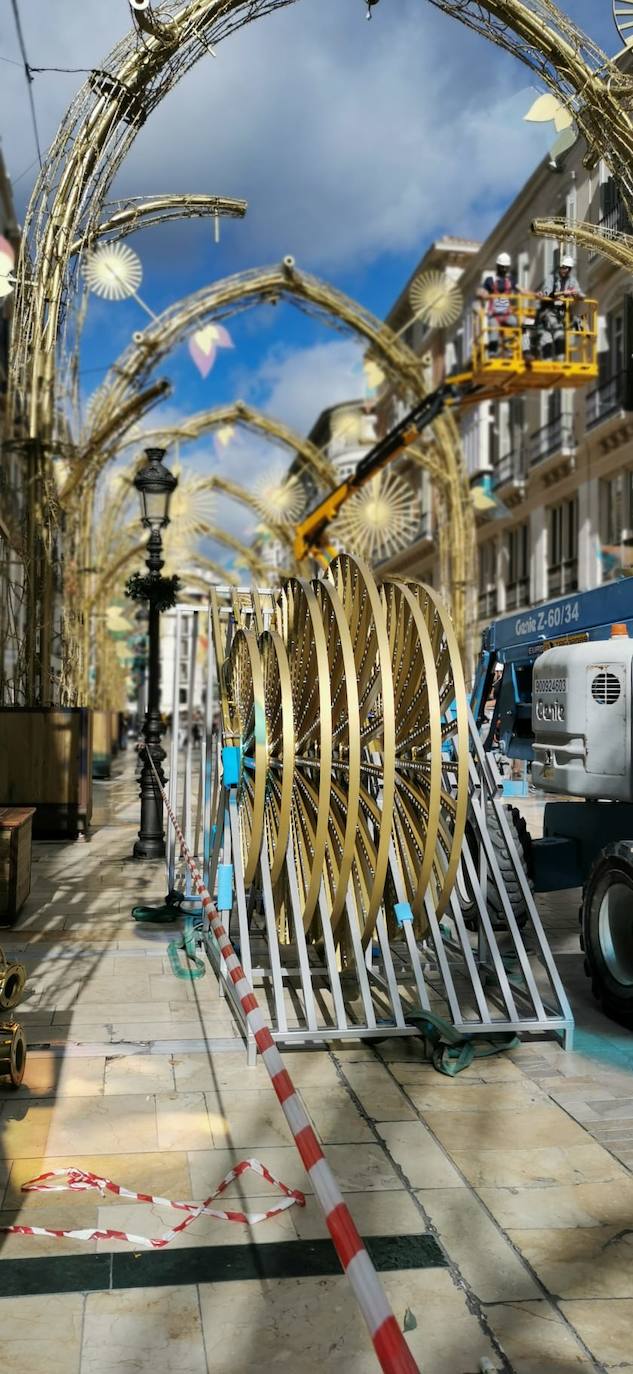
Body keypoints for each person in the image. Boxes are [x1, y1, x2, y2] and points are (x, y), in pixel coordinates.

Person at [535, 255, 585, 359]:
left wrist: (577, 295)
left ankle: (560, 361)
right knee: (549, 338)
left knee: (557, 337)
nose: (563, 270)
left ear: (569, 269)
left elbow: (581, 294)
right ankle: (548, 363)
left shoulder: (572, 280)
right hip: (550, 312)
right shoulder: (551, 278)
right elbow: (547, 293)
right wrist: (563, 293)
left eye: (565, 268)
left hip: (563, 313)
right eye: (562, 267)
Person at [477, 252, 524, 358]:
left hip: (506, 313)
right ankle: (492, 353)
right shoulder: (490, 280)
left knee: (520, 323)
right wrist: (481, 294)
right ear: (498, 266)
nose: (503, 269)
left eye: (505, 267)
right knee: (493, 330)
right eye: (502, 267)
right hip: (494, 314)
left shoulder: (511, 280)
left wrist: (536, 294)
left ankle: (517, 349)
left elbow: (523, 290)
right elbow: (482, 291)